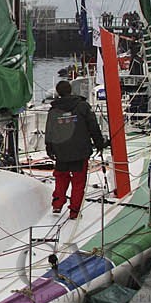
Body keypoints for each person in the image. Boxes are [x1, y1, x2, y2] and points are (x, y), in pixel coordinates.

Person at [45, 80, 107, 219]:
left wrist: (49, 149)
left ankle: (57, 204)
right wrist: (99, 144)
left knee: (61, 178)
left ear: (58, 93)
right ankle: (74, 211)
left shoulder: (53, 110)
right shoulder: (82, 106)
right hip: (80, 151)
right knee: (78, 181)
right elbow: (93, 126)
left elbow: (49, 130)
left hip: (60, 150)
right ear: (71, 90)